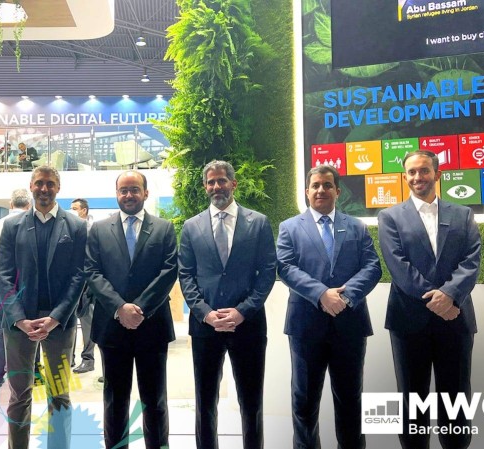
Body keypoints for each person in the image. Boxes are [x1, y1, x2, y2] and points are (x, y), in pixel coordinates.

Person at [378, 150, 481, 449]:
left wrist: (449, 296)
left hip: (455, 318)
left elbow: (471, 261)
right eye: (411, 172)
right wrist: (437, 301)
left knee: (456, 398)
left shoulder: (463, 214)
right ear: (405, 177)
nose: (417, 177)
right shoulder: (390, 217)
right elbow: (398, 266)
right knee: (412, 399)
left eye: (424, 170)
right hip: (408, 321)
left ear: (437, 174)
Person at [277, 164, 382, 449]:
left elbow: (372, 267)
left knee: (350, 400)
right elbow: (285, 267)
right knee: (304, 401)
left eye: (327, 185)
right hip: (306, 326)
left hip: (349, 325)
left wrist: (345, 297)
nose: (321, 190)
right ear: (307, 191)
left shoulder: (357, 227)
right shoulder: (289, 228)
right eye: (315, 185)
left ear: (337, 191)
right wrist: (322, 294)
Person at [178, 160, 277, 449]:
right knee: (205, 402)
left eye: (222, 180)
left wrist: (243, 311)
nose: (216, 186)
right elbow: (186, 275)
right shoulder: (191, 227)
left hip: (248, 326)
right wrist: (206, 314)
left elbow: (267, 272)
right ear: (205, 187)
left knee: (251, 402)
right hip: (206, 328)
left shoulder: (258, 223)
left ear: (233, 183)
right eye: (211, 182)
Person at [86, 170, 178, 449]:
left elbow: (169, 271)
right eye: (123, 190)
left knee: (155, 401)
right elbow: (92, 272)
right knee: (115, 402)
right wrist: (120, 307)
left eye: (134, 189)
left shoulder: (164, 228)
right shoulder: (99, 230)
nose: (129, 195)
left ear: (145, 193)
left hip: (153, 326)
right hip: (111, 328)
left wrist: (140, 308)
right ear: (116, 194)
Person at [0, 166, 87, 449]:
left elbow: (79, 276)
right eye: (39, 183)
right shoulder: (12, 226)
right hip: (19, 323)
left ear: (58, 187)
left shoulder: (76, 226)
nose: (44, 189)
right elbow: (4, 275)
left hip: (59, 322)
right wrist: (18, 318)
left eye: (50, 184)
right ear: (31, 186)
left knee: (59, 394)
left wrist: (56, 317)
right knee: (19, 395)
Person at [0, 188, 32, 388]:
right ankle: (29, 372)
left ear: (10, 204)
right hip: (24, 281)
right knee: (30, 323)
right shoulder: (30, 223)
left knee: (3, 325)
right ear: (29, 204)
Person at [70, 198, 96, 374]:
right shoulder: (69, 228)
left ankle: (88, 359)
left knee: (87, 320)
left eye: (75, 208)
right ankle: (69, 357)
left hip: (87, 283)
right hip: (70, 282)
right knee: (68, 320)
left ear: (84, 210)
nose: (72, 211)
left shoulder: (92, 230)